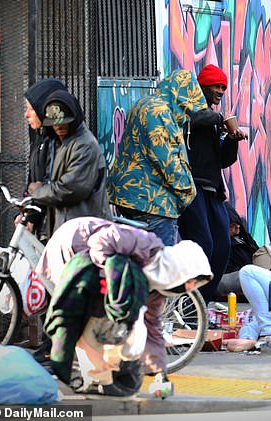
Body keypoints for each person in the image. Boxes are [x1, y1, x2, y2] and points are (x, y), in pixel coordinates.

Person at [36, 217, 213, 395]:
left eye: (193, 284)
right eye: (190, 281)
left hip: (98, 273)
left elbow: (153, 330)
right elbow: (99, 242)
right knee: (83, 322)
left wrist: (159, 373)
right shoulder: (146, 244)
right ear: (178, 269)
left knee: (98, 325)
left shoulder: (157, 289)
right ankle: (81, 375)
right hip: (75, 244)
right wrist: (112, 276)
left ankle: (92, 377)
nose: (189, 288)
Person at [106, 70, 207, 378]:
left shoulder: (145, 104)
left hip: (129, 198)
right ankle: (148, 343)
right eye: (188, 107)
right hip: (153, 202)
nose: (187, 115)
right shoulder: (161, 113)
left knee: (133, 270)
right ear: (182, 96)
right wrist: (188, 192)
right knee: (155, 278)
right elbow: (167, 159)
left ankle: (128, 335)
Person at [178, 64, 248, 304]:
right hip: (192, 190)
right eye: (216, 86)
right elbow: (196, 118)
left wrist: (232, 139)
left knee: (222, 247)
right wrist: (222, 120)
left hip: (213, 192)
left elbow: (224, 159)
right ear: (203, 86)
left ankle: (201, 305)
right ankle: (188, 304)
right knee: (203, 246)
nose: (220, 91)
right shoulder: (191, 110)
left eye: (223, 87)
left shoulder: (211, 118)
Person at [27, 90, 111, 236]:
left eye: (64, 123)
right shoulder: (59, 143)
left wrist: (38, 191)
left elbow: (70, 189)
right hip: (70, 228)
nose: (59, 127)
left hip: (84, 231)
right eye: (55, 124)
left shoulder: (84, 145)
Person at [21, 78, 68, 236]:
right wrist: (25, 212)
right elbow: (32, 180)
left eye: (31, 110)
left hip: (59, 225)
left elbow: (53, 182)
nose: (26, 115)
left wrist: (32, 215)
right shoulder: (40, 138)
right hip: (45, 222)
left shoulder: (57, 142)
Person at [215, 202, 259, 297]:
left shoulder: (244, 238)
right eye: (233, 225)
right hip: (231, 279)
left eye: (237, 223)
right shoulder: (220, 244)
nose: (238, 227)